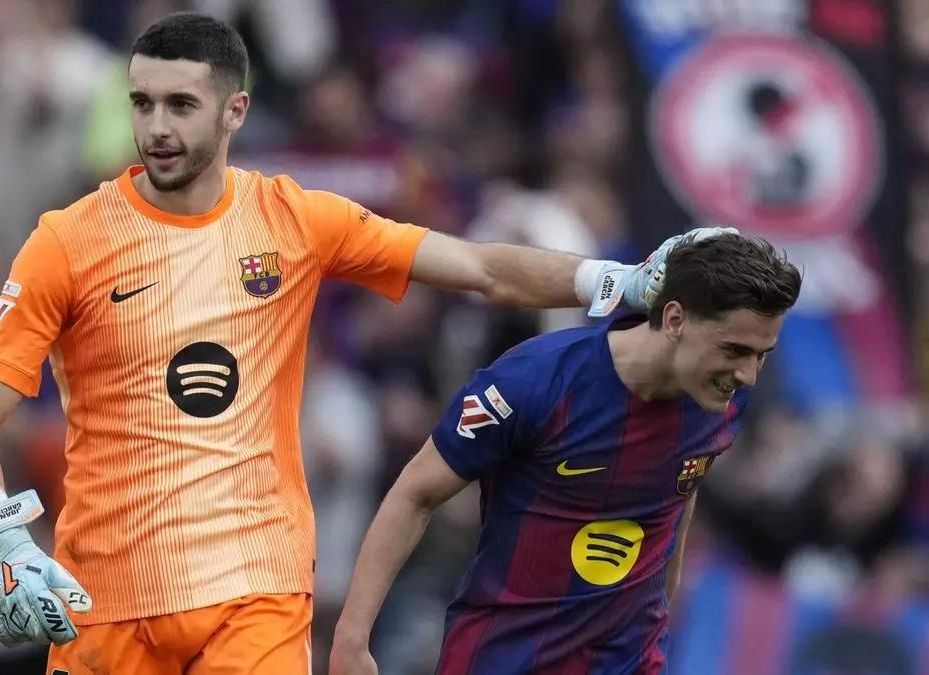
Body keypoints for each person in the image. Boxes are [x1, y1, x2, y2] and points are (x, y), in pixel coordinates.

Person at [0, 11, 729, 675]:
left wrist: (619, 280)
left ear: (235, 111)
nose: (157, 127)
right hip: (109, 601)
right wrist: (1, 538)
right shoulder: (67, 242)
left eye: (181, 104)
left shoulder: (296, 219)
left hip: (254, 596)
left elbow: (481, 267)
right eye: (142, 103)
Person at [328, 234, 802, 675]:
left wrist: (664, 609)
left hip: (628, 660)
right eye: (735, 350)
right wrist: (352, 637)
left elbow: (682, 486)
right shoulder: (535, 382)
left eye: (761, 354)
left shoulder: (719, 397)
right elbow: (415, 494)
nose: (748, 374)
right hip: (504, 658)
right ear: (675, 319)